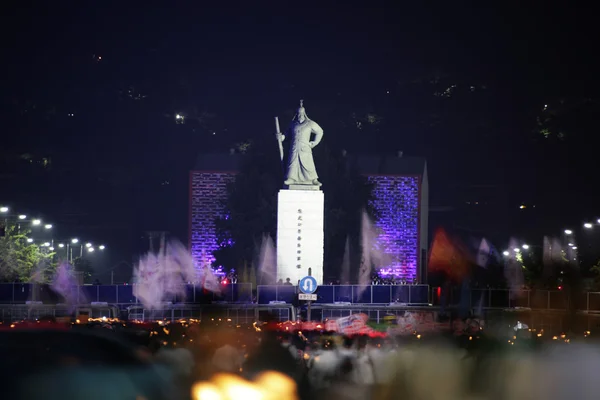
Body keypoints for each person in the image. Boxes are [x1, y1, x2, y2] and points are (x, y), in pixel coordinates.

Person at [276, 100, 324, 186]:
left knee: (308, 164)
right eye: (298, 113)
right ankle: (291, 179)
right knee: (293, 164)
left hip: (305, 148)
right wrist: (281, 137)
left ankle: (313, 180)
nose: (300, 115)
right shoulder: (293, 124)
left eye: (301, 113)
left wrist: (314, 142)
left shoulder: (310, 123)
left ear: (304, 114)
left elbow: (320, 131)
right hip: (294, 148)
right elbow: (286, 134)